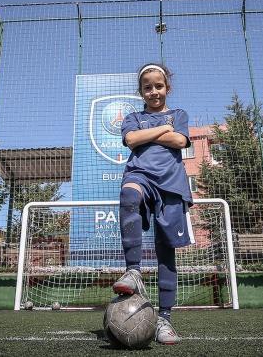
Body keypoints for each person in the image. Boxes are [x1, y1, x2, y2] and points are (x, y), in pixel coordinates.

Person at [112, 63, 194, 346]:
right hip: (140, 175)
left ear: (166, 88)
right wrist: (163, 129)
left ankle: (165, 320)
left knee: (165, 251)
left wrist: (158, 132)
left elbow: (180, 140)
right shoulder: (134, 117)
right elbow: (131, 139)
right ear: (141, 91)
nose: (153, 91)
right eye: (147, 87)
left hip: (171, 184)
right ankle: (133, 271)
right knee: (128, 196)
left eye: (158, 86)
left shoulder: (179, 114)